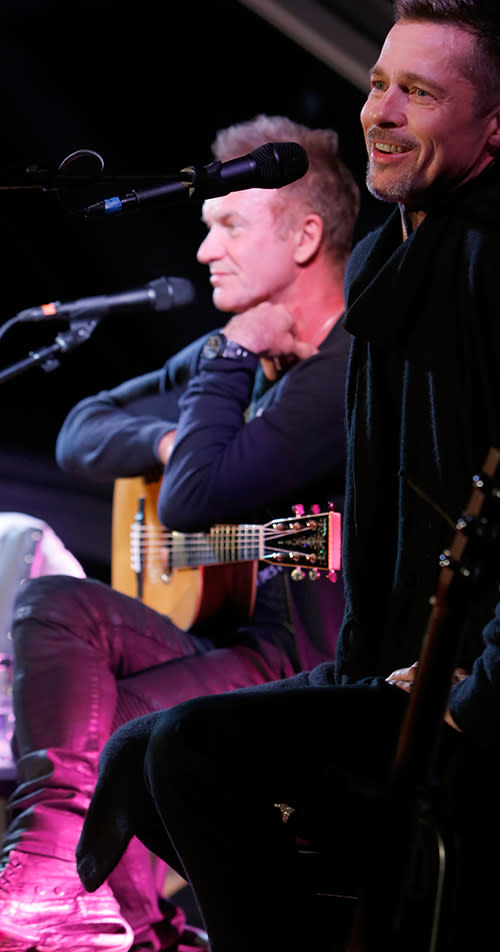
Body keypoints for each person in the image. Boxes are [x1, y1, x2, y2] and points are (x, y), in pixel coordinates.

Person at [75, 0, 500, 952]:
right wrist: (364, 678)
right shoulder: (392, 256)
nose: (379, 114)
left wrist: (471, 696)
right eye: (377, 83)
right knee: (144, 751)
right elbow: (388, 509)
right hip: (407, 669)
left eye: (419, 95)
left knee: (188, 750)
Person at [0, 114, 360, 952]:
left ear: (306, 236)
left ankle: (125, 920)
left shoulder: (345, 372)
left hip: (322, 672)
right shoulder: (235, 358)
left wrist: (229, 365)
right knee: (55, 603)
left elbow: (199, 500)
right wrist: (171, 436)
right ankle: (63, 886)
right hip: (246, 648)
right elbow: (81, 428)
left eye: (228, 224)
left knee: (117, 733)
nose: (203, 252)